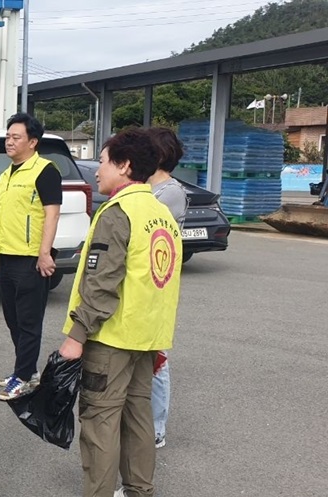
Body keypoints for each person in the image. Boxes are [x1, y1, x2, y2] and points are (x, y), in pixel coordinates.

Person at [57, 128, 182, 497]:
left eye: (103, 161)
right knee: (139, 417)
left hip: (110, 338)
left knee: (100, 422)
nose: (96, 171)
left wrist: (76, 337)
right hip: (146, 338)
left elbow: (101, 283)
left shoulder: (118, 212)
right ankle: (140, 491)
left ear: (124, 166)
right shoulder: (160, 213)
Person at [0, 112, 63, 402]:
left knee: (29, 322)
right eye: (7, 136)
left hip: (31, 259)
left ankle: (24, 377)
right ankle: (26, 370)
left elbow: (51, 213)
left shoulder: (45, 170)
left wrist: (45, 252)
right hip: (7, 257)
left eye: (15, 137)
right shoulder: (6, 175)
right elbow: (2, 217)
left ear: (32, 142)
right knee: (13, 319)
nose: (9, 141)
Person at [145, 127, 188, 451]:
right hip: (141, 286)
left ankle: (157, 427)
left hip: (156, 287)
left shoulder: (169, 193)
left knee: (158, 359)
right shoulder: (148, 189)